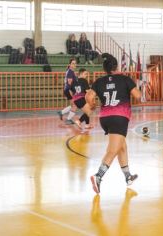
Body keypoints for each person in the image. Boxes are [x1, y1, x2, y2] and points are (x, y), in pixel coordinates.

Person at [86, 53, 141, 194]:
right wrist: (131, 86)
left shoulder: (99, 81)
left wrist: (92, 105)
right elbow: (138, 96)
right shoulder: (124, 79)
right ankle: (98, 176)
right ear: (116, 66)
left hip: (105, 118)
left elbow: (89, 96)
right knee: (112, 150)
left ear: (104, 68)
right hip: (119, 116)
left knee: (122, 146)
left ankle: (128, 176)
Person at [58, 58, 78, 124]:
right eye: (73, 63)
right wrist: (71, 92)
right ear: (69, 64)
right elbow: (69, 84)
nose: (74, 65)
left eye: (75, 63)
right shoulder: (70, 72)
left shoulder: (71, 71)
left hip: (69, 90)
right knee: (75, 105)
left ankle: (61, 112)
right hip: (69, 90)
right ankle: (68, 119)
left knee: (74, 105)